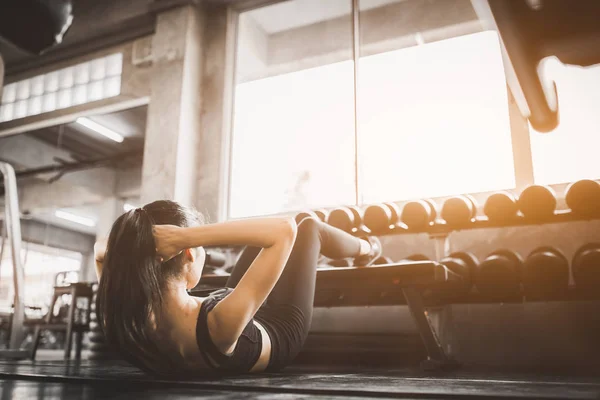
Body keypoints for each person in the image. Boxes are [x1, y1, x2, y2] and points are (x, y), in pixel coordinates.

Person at [95, 200, 381, 375]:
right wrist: (188, 236)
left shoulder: (126, 318)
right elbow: (285, 229)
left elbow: (99, 252)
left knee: (264, 244)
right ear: (189, 254)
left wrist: (137, 245)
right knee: (307, 224)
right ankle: (369, 248)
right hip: (279, 327)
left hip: (234, 316)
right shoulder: (219, 324)